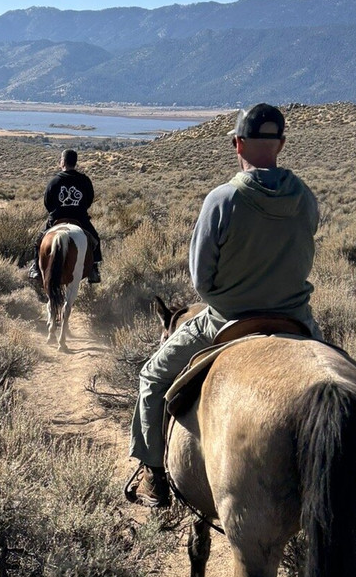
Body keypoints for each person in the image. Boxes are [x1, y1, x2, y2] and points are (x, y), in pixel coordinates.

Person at [126, 103, 323, 507]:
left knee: (151, 379)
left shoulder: (224, 198)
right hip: (296, 319)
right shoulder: (305, 197)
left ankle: (154, 474)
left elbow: (201, 279)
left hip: (228, 319)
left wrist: (230, 300)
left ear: (237, 144)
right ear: (281, 145)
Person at [29, 149, 103, 284]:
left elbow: (47, 203)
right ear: (75, 163)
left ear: (62, 162)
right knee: (95, 239)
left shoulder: (54, 181)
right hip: (80, 217)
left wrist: (58, 211)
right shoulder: (84, 180)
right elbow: (89, 199)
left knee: (39, 240)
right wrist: (79, 209)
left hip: (57, 217)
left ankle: (35, 267)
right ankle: (93, 269)